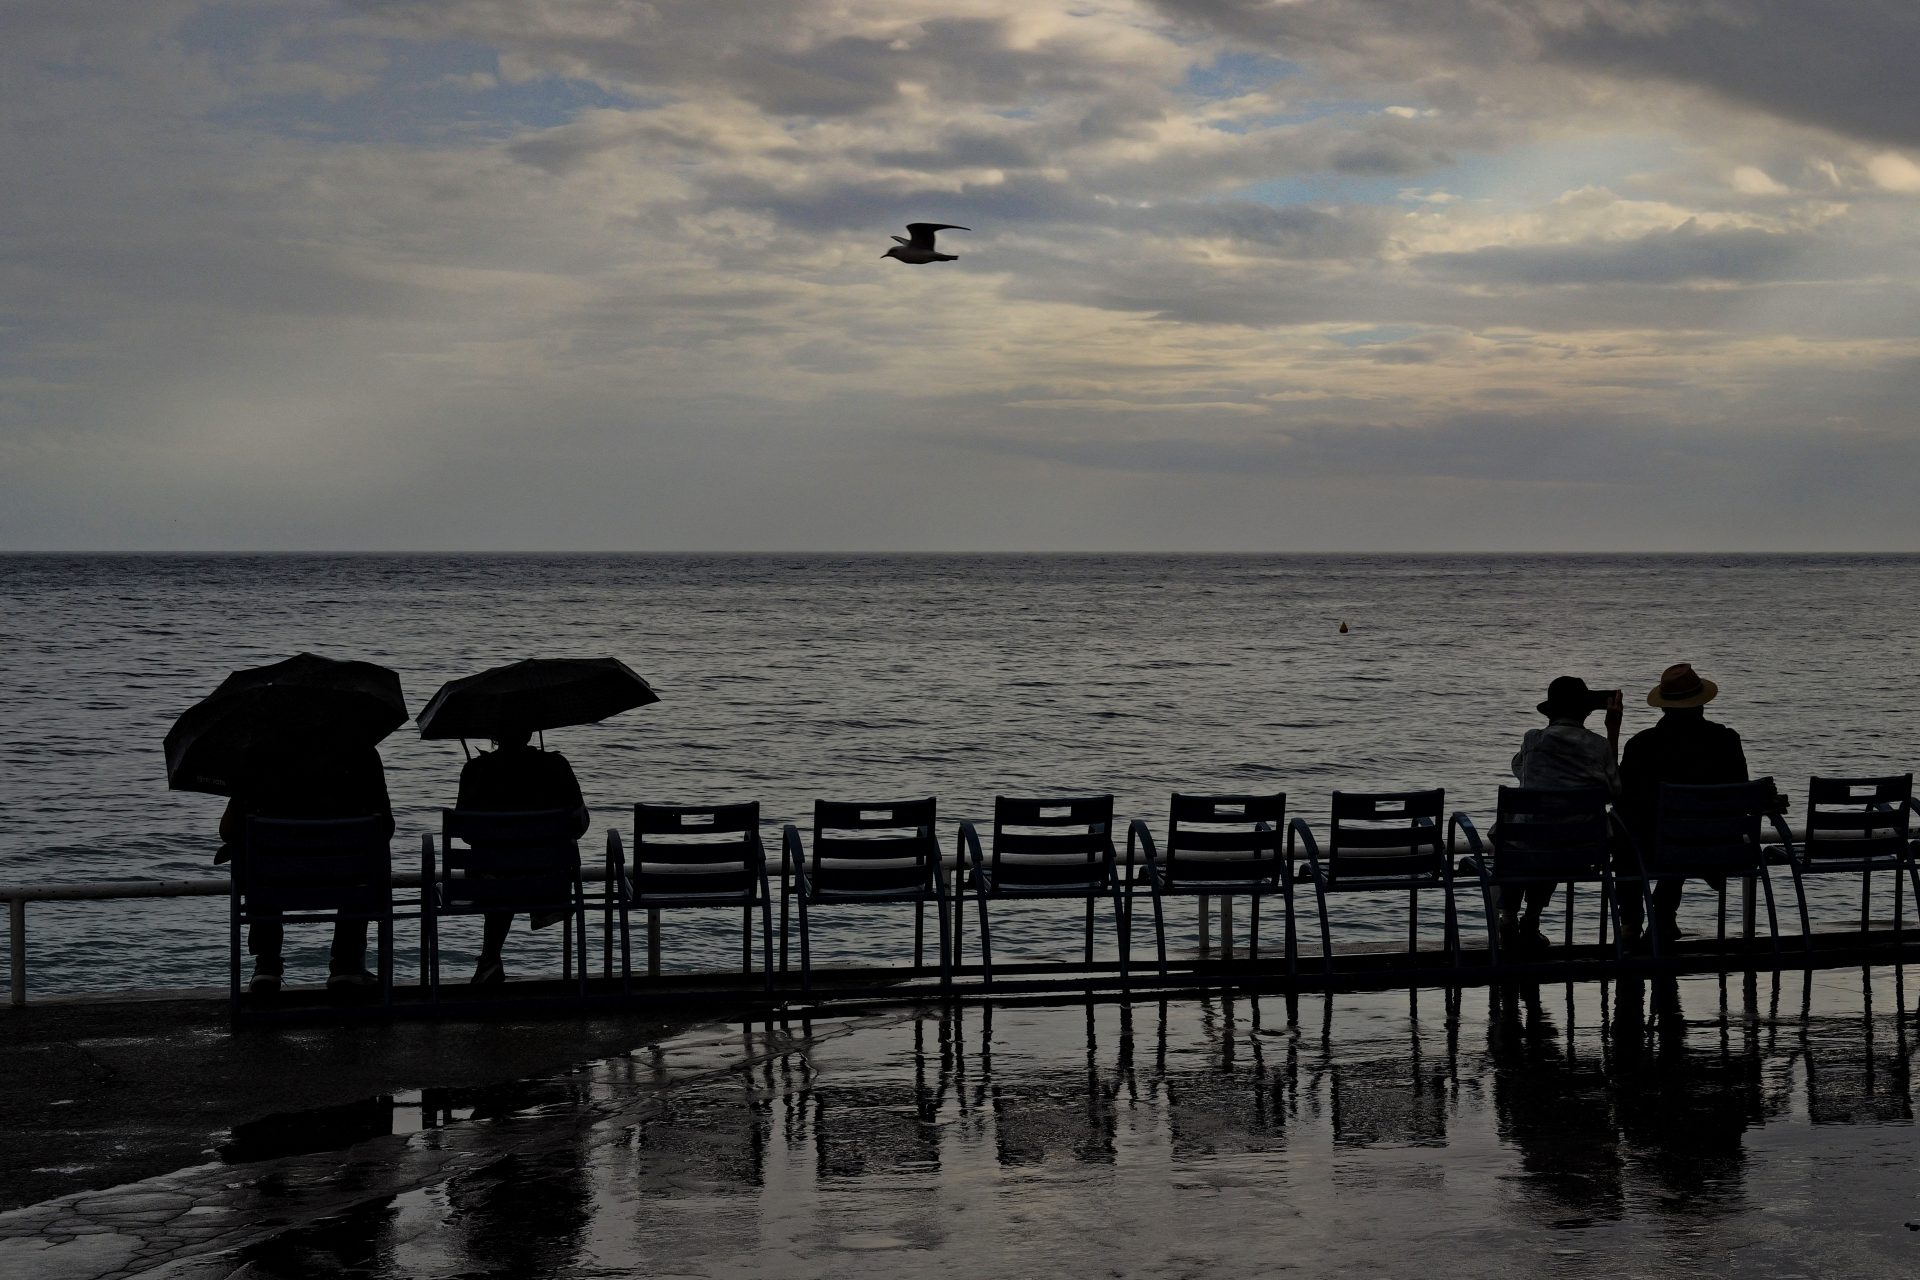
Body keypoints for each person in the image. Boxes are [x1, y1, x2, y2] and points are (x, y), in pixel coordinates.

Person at [218, 739, 394, 995]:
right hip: (345, 882)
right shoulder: (362, 754)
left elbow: (228, 832)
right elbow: (385, 828)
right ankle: (347, 964)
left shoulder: (256, 755)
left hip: (273, 884)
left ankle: (267, 965)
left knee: (261, 863)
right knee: (362, 865)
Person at [1618, 662, 1749, 947]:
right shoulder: (1726, 740)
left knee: (1627, 828)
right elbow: (1741, 796)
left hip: (1658, 849)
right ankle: (1663, 914)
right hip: (1719, 849)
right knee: (1682, 830)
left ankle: (1630, 921)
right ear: (1702, 704)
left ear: (1664, 707)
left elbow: (1625, 799)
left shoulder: (1642, 745)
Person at [455, 727, 590, 984]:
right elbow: (578, 826)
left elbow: (465, 832)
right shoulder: (555, 766)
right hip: (548, 883)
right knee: (517, 869)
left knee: (502, 870)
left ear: (494, 734)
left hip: (488, 883)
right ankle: (489, 959)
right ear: (530, 731)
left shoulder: (476, 770)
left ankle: (489, 959)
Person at [1504, 675, 1622, 950]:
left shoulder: (1533, 740)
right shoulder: (1598, 745)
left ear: (1550, 712)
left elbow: (1520, 772)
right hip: (1581, 849)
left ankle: (1507, 916)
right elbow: (1614, 790)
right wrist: (1613, 731)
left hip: (1533, 843)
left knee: (1517, 832)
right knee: (1556, 834)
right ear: (1587, 711)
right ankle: (1531, 918)